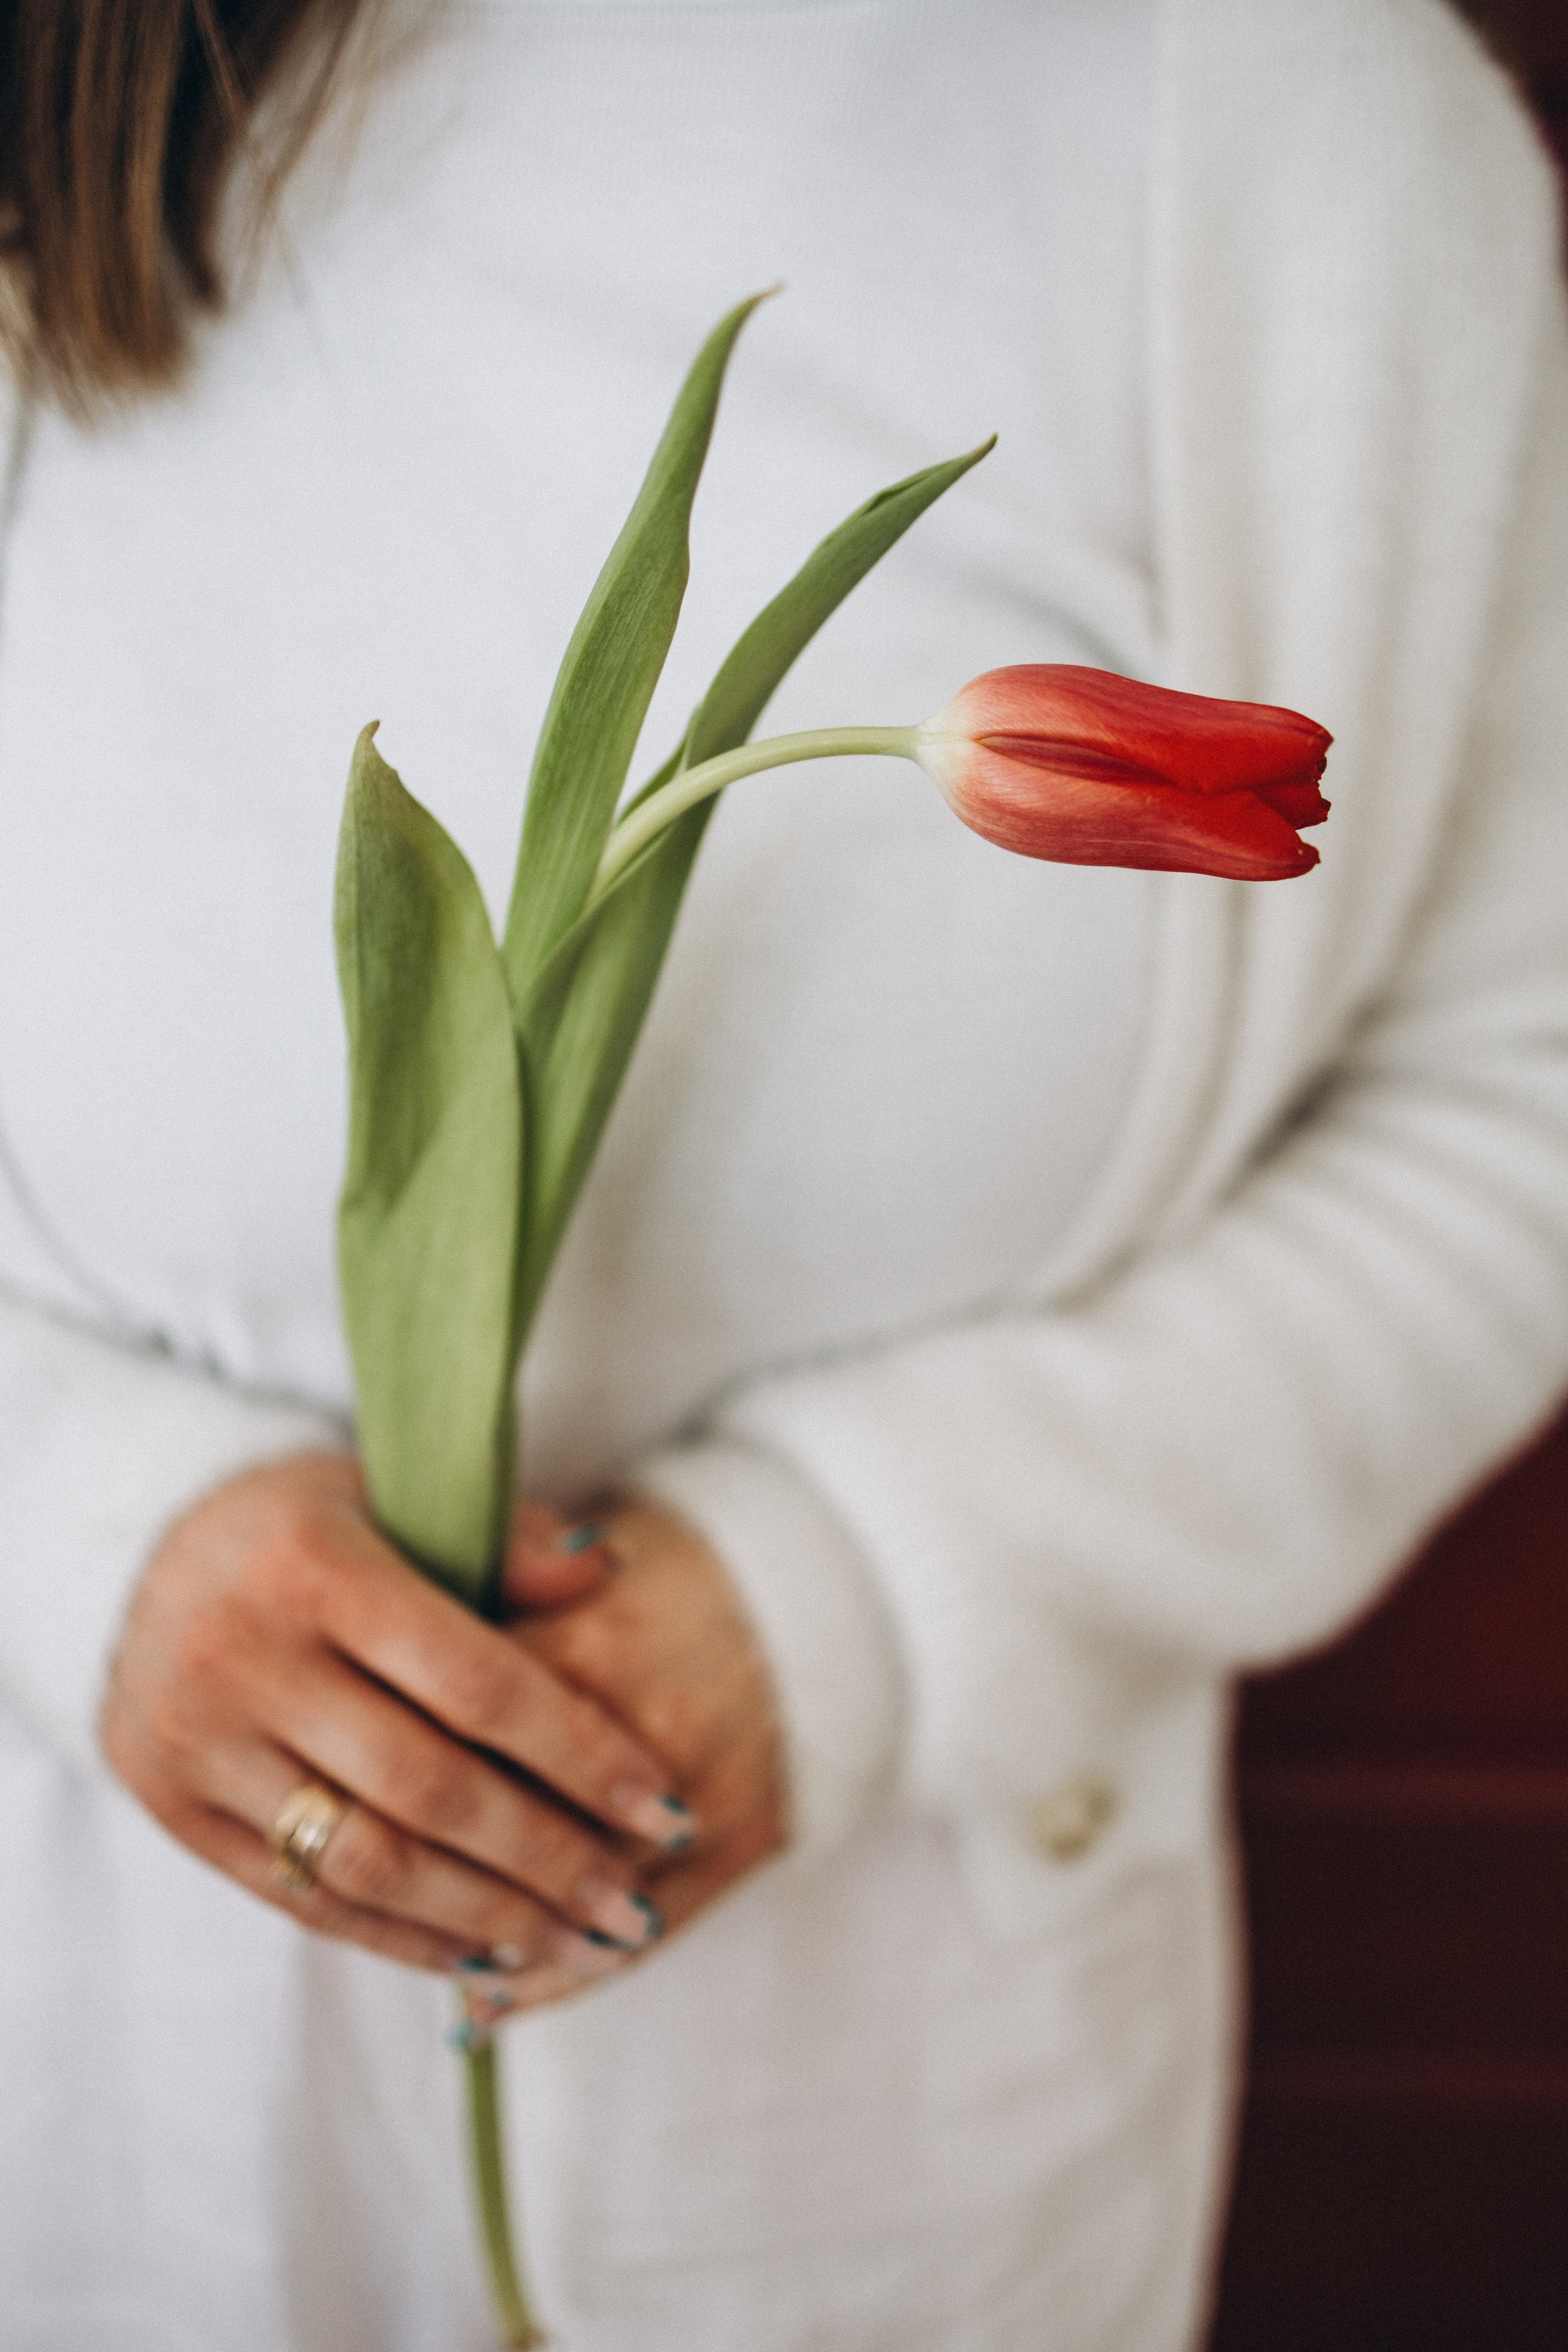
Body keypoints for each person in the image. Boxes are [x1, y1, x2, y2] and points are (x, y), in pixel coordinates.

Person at [2, 1, 1566, 2346]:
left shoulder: (1290, 113)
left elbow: (1522, 1089)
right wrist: (74, 1531)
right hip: (93, 2113)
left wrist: (867, 1597)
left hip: (918, 2164)